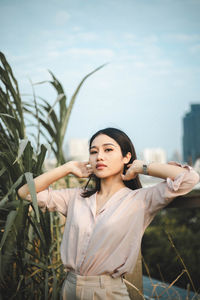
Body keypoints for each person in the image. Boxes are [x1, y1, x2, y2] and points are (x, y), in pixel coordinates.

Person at [18, 127, 199, 300]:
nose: (100, 157)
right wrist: (66, 168)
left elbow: (190, 178)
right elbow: (25, 193)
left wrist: (141, 166)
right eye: (94, 151)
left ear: (126, 157)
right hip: (69, 287)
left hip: (107, 292)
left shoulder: (140, 200)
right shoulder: (75, 197)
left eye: (108, 150)